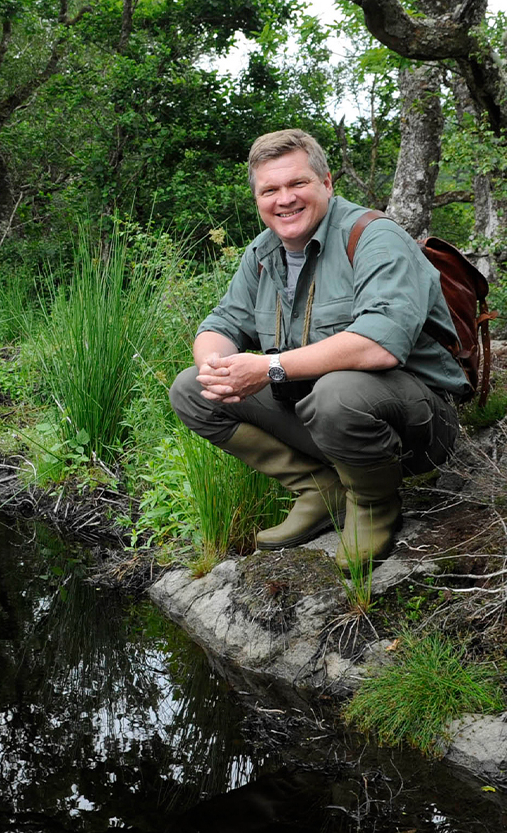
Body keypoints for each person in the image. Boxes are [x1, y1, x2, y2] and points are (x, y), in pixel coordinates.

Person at [168, 129, 468, 567]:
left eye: (298, 183)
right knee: (192, 389)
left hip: (418, 426)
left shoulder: (373, 237)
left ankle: (374, 503)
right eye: (270, 190)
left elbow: (379, 345)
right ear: (258, 199)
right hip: (323, 415)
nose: (285, 199)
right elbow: (223, 322)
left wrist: (268, 367)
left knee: (336, 393)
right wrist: (216, 368)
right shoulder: (263, 253)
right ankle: (320, 489)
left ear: (326, 183)